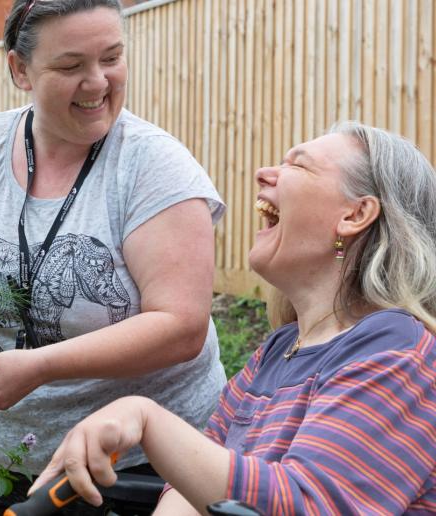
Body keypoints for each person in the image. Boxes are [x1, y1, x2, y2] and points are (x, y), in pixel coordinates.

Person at [0, 0, 227, 511]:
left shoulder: (153, 166)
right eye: (71, 65)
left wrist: (38, 366)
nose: (98, 82)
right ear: (19, 68)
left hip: (130, 467)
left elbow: (181, 325)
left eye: (111, 58)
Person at [30, 122, 436, 514]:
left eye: (298, 164)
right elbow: (195, 489)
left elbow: (309, 505)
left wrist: (144, 418)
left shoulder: (397, 350)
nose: (264, 173)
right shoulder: (277, 353)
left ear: (355, 214)